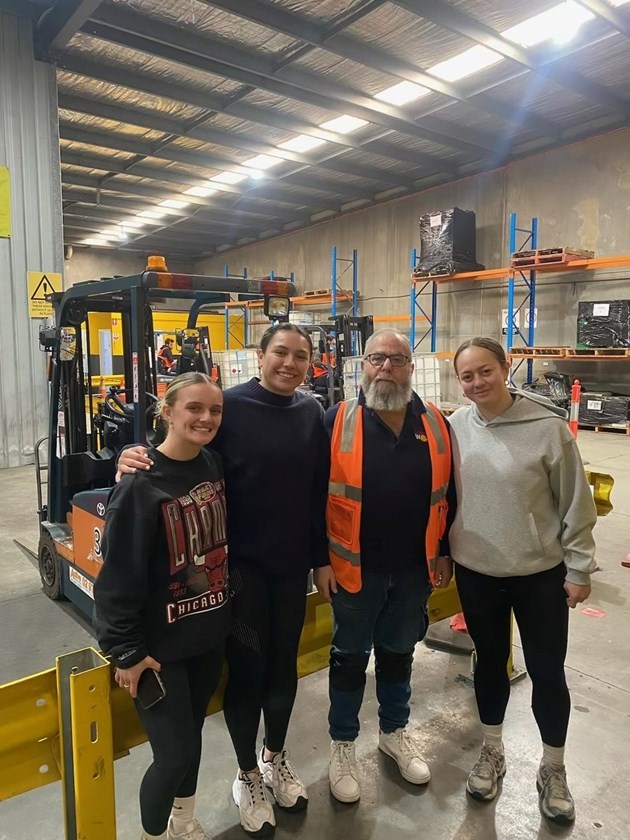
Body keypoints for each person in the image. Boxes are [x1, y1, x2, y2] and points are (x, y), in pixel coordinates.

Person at [118, 323, 329, 837]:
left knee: (283, 672)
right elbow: (179, 447)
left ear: (310, 364)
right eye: (280, 352)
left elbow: (316, 492)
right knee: (249, 675)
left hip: (291, 569)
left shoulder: (311, 412)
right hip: (237, 575)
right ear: (261, 355)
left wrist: (320, 559)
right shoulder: (228, 408)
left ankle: (275, 757)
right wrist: (132, 457)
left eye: (301, 355)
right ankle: (247, 773)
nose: (290, 363)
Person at [449, 337, 597, 825]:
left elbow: (576, 504)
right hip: (477, 573)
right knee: (489, 664)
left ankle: (553, 767)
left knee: (547, 671)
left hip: (539, 575)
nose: (477, 383)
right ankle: (492, 751)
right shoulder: (455, 427)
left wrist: (579, 568)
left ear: (505, 366)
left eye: (485, 371)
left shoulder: (548, 430)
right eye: (467, 376)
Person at [313, 328, 455, 803]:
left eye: (397, 360)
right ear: (363, 366)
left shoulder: (434, 422)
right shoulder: (337, 420)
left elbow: (449, 493)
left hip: (414, 568)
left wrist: (444, 552)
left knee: (399, 652)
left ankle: (393, 732)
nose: (386, 368)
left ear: (411, 368)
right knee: (349, 657)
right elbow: (312, 496)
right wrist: (320, 561)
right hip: (354, 569)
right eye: (377, 359)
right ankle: (343, 745)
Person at [94, 372, 230, 840]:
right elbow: (117, 578)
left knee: (192, 740)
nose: (206, 417)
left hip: (206, 638)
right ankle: (152, 835)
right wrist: (126, 652)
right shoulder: (138, 485)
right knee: (173, 755)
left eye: (214, 410)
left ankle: (183, 822)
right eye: (194, 407)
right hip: (158, 651)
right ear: (167, 412)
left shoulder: (212, 463)